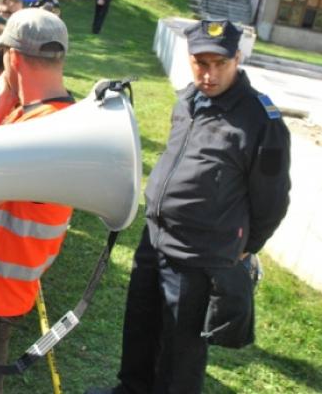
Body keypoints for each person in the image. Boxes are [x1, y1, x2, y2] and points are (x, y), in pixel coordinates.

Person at [88, 20, 291, 394]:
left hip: (199, 255)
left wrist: (247, 246)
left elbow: (273, 200)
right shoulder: (187, 100)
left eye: (219, 64)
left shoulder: (262, 122)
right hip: (154, 238)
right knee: (140, 326)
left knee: (180, 355)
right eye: (200, 63)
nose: (209, 74)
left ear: (238, 59)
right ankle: (131, 389)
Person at [0, 9, 75, 394]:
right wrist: (4, 101)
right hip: (1, 284)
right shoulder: (47, 114)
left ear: (12, 59)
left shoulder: (36, 129)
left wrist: (0, 97)